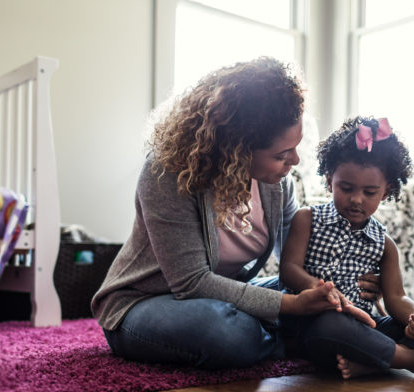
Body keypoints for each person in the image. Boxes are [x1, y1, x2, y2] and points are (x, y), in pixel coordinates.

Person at [91, 57, 378, 370]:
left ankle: (299, 336)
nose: (294, 161)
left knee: (322, 303)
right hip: (145, 303)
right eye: (282, 154)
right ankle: (301, 342)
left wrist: (340, 285)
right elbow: (193, 284)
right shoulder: (167, 173)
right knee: (223, 330)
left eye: (295, 148)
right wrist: (293, 306)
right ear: (237, 148)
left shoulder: (277, 184)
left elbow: (301, 260)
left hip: (226, 296)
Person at [279, 116, 414, 381]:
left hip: (365, 327)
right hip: (316, 324)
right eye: (346, 188)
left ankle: (374, 362)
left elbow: (396, 298)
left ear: (386, 190)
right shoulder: (307, 219)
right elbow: (288, 270)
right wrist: (320, 289)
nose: (356, 199)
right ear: (330, 179)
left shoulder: (384, 243)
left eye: (370, 192)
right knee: (331, 325)